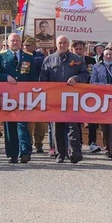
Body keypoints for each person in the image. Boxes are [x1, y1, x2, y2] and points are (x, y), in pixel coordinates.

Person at [40, 35, 89, 163]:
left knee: (73, 126)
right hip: (55, 98)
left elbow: (85, 75)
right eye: (60, 43)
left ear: (68, 45)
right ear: (56, 45)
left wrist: (76, 79)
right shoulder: (49, 60)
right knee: (57, 127)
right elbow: (43, 79)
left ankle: (75, 152)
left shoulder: (77, 59)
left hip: (72, 97)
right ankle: (60, 154)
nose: (62, 45)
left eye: (64, 43)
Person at [0, 33, 41, 164]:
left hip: (24, 95)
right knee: (10, 125)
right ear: (8, 43)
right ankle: (13, 153)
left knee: (23, 123)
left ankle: (25, 151)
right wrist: (5, 77)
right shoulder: (1, 56)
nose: (15, 43)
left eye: (17, 40)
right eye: (12, 40)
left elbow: (33, 77)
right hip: (8, 96)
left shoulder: (28, 57)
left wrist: (34, 93)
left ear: (21, 43)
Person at [89, 46, 112, 160]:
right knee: (105, 125)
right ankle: (107, 147)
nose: (108, 56)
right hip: (102, 99)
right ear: (102, 56)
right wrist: (105, 86)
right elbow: (93, 82)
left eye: (110, 54)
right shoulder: (96, 67)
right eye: (106, 54)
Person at [22, 36, 48, 153]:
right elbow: (23, 72)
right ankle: (29, 142)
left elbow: (41, 65)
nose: (25, 47)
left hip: (40, 90)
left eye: (28, 45)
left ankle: (39, 143)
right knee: (28, 119)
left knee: (40, 120)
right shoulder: (23, 58)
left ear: (33, 46)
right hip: (27, 90)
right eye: (25, 45)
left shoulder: (40, 57)